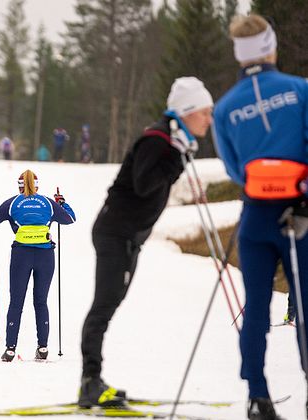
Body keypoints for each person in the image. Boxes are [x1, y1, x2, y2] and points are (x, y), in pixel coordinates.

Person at [78, 77, 213, 407]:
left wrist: (178, 159)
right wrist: (176, 161)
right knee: (104, 306)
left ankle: (92, 381)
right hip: (114, 233)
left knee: (110, 304)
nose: (210, 119)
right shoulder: (158, 140)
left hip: (128, 237)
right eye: (206, 112)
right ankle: (90, 382)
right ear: (188, 111)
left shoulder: (171, 141)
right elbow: (143, 183)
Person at [213, 14, 308, 419]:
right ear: (270, 48)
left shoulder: (225, 108)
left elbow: (235, 170)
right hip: (299, 217)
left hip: (254, 220)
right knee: (304, 306)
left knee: (256, 309)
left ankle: (257, 395)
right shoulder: (300, 90)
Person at [0, 170, 76, 362]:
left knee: (16, 302)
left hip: (21, 255)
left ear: (19, 186)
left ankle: (10, 349)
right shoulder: (48, 202)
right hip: (45, 256)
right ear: (37, 185)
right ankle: (43, 348)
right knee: (41, 302)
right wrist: (62, 202)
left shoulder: (13, 202)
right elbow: (70, 218)